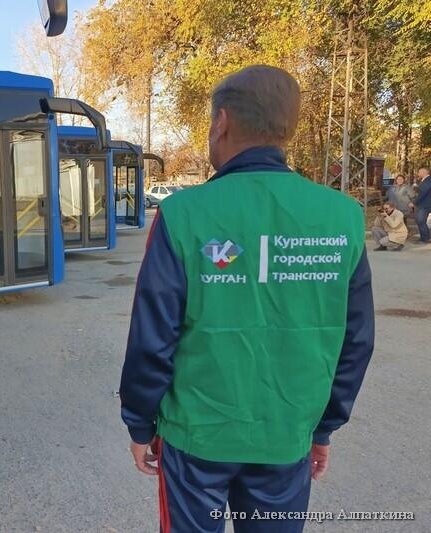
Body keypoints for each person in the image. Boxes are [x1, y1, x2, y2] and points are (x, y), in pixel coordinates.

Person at [120, 65, 375, 533]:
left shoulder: (183, 214)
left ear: (222, 121)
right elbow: (355, 340)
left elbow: (153, 334)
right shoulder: (342, 217)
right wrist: (323, 428)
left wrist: (140, 423)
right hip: (287, 434)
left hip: (196, 438)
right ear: (287, 129)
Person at [410, 167, 431, 242]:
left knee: (421, 221)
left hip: (425, 205)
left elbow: (423, 193)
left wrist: (414, 202)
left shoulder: (428, 180)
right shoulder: (424, 181)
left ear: (424, 172)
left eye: (419, 172)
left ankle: (426, 238)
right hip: (423, 204)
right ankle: (424, 238)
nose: (418, 174)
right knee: (420, 221)